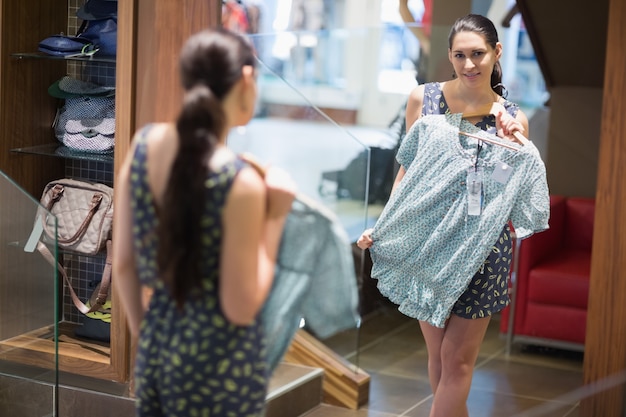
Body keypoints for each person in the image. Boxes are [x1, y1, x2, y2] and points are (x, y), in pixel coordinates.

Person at [357, 14, 546, 417]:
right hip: (429, 239)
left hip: (482, 246)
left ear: (496, 53)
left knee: (458, 362)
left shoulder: (512, 118)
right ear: (449, 55)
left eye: (478, 54)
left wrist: (510, 144)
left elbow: (502, 188)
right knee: (440, 360)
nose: (469, 65)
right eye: (459, 55)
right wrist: (386, 225)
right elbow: (409, 173)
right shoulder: (422, 100)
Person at [112, 28, 296, 416]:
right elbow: (240, 308)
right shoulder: (238, 181)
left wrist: (145, 336)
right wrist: (276, 217)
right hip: (220, 368)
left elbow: (124, 264)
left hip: (157, 351)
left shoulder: (144, 144)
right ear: (246, 79)